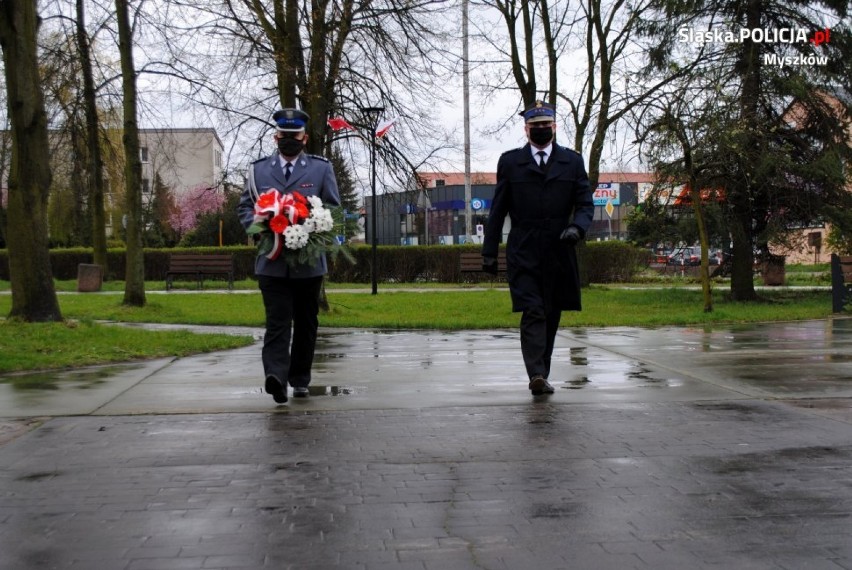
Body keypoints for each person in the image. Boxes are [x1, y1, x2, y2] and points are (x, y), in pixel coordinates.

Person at [481, 101, 595, 396]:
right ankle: (536, 373)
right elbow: (499, 209)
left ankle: (540, 371)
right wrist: (489, 251)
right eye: (536, 127)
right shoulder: (510, 163)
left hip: (559, 249)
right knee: (533, 310)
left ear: (554, 127)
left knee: (552, 312)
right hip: (524, 249)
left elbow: (584, 204)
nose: (542, 130)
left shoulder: (572, 162)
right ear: (526, 129)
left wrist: (577, 228)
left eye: (546, 126)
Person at [237, 108, 341, 404]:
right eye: (284, 135)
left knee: (306, 323)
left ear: (304, 137)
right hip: (271, 262)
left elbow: (333, 208)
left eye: (294, 135)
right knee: (277, 321)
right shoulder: (258, 171)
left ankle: (300, 378)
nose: (288, 140)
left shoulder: (321, 169)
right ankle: (276, 378)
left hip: (309, 263)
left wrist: (316, 228)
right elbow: (245, 207)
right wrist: (258, 227)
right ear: (275, 136)